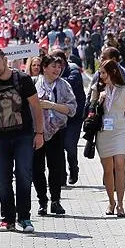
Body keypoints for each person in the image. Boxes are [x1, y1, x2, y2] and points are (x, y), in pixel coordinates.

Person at [0, 47, 45, 233]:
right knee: (3, 178)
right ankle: (7, 218)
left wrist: (39, 133)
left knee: (24, 175)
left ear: (5, 60)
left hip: (23, 135)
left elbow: (36, 107)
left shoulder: (22, 79)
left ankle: (24, 217)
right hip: (1, 136)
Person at [92, 60, 125, 218]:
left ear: (112, 72)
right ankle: (111, 202)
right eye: (100, 73)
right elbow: (91, 110)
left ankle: (120, 204)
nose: (101, 76)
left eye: (104, 73)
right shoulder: (98, 88)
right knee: (107, 169)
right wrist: (99, 100)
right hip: (103, 132)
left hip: (120, 129)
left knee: (120, 165)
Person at [32, 55, 77, 216]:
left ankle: (55, 200)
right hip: (37, 131)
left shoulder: (63, 85)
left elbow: (72, 109)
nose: (57, 70)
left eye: (59, 67)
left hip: (57, 131)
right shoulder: (33, 83)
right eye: (53, 66)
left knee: (56, 167)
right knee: (37, 168)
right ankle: (42, 201)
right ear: (44, 67)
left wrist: (52, 105)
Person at [55, 50, 86, 185]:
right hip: (57, 117)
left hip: (74, 117)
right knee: (58, 147)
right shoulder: (51, 73)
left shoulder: (73, 71)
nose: (57, 67)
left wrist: (54, 79)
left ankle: (74, 169)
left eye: (59, 64)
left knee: (70, 145)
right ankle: (61, 176)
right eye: (54, 64)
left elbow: (69, 84)